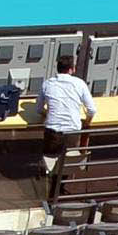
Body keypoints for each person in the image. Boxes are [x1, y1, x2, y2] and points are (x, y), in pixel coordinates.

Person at [37, 53, 97, 184]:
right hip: (73, 131)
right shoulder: (79, 84)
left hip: (53, 131)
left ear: (57, 68)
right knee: (67, 158)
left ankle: (50, 178)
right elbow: (92, 110)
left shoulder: (47, 84)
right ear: (72, 69)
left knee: (51, 157)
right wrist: (86, 122)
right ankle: (61, 180)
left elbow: (38, 109)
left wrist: (48, 114)